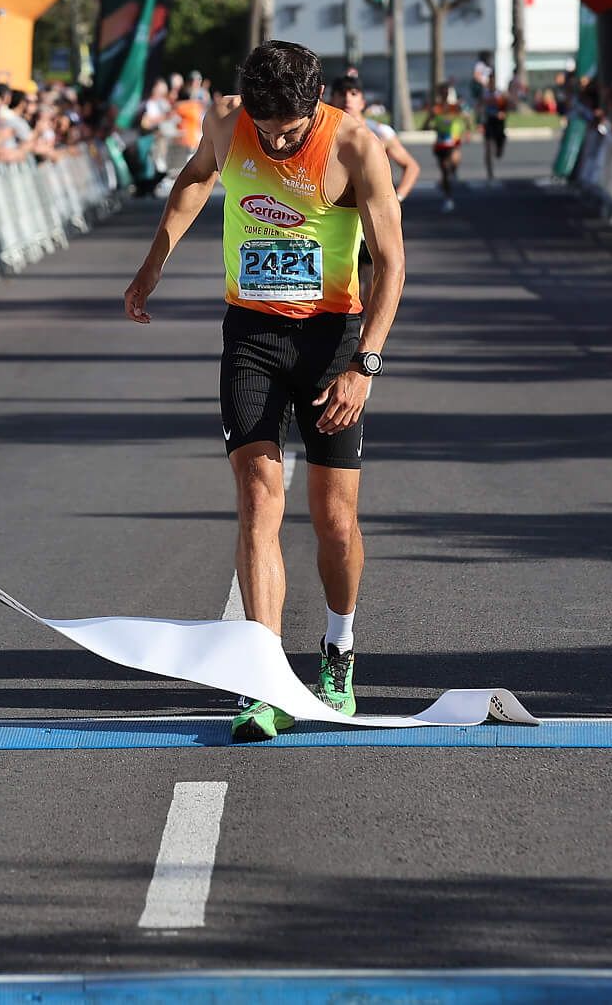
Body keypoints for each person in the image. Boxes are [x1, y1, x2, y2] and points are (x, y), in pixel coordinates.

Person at [123, 40, 405, 743]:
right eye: (265, 128)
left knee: (334, 520)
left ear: (314, 108)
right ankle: (263, 676)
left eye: (289, 130)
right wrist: (152, 264)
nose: (275, 143)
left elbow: (393, 265)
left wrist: (363, 365)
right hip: (250, 333)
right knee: (257, 495)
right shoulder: (227, 121)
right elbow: (193, 178)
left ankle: (338, 652)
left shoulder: (356, 146)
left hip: (331, 340)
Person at [327, 74, 418, 201]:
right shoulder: (323, 131)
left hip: (372, 207)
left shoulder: (380, 132)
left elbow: (411, 167)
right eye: (342, 94)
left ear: (362, 102)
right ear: (331, 100)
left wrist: (398, 197)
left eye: (353, 94)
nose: (347, 99)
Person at [426, 82, 468, 208]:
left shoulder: (454, 107)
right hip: (440, 143)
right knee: (444, 170)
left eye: (446, 92)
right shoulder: (436, 109)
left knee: (453, 163)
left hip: (453, 142)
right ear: (440, 94)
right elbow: (426, 124)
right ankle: (448, 197)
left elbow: (465, 119)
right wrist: (432, 126)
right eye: (442, 92)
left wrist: (466, 130)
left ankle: (453, 173)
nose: (444, 95)